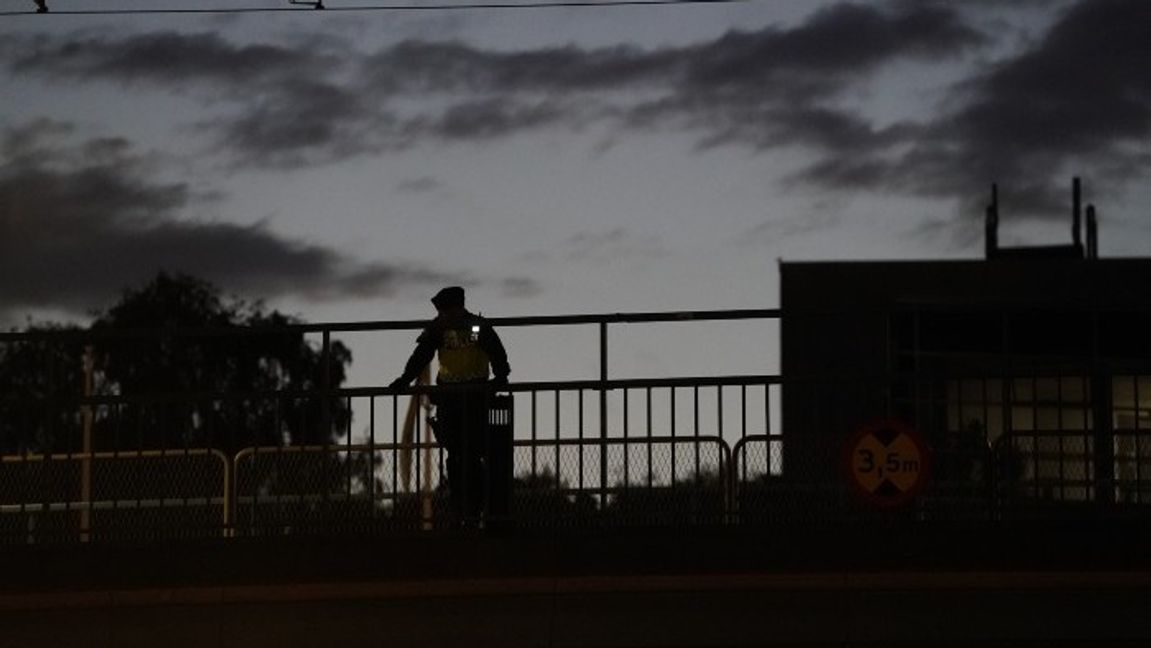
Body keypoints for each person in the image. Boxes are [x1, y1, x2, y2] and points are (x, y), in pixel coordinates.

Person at [389, 286, 511, 526]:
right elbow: (422, 355)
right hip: (464, 397)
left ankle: (468, 512)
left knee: (462, 458)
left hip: (464, 398)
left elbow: (422, 355)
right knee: (463, 458)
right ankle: (468, 512)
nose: (441, 314)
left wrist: (404, 380)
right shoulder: (463, 327)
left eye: (443, 310)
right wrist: (500, 378)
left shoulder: (449, 328)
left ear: (454, 307)